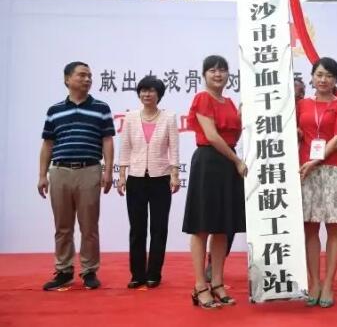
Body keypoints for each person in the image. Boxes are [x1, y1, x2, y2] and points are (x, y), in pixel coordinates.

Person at [39, 61, 115, 291]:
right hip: (60, 171)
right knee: (62, 226)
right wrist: (42, 175)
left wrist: (108, 170)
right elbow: (48, 144)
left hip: (89, 170)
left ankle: (89, 271)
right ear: (67, 79)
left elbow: (107, 141)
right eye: (82, 75)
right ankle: (63, 270)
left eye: (90, 76)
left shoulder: (101, 108)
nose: (87, 79)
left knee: (89, 226)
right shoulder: (54, 111)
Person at [182, 55, 247, 309]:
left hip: (227, 164)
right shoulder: (203, 98)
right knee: (202, 227)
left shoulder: (229, 102)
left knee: (222, 228)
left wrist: (242, 115)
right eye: (212, 70)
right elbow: (211, 135)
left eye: (222, 70)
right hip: (209, 162)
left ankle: (218, 283)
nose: (218, 74)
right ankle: (200, 286)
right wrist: (237, 160)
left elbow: (233, 136)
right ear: (204, 75)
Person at [297, 57, 337, 308]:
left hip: (332, 170)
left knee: (333, 228)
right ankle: (314, 282)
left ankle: (329, 283)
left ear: (336, 80)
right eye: (319, 75)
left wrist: (315, 160)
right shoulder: (301, 104)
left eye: (329, 76)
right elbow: (295, 132)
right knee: (309, 229)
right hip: (304, 171)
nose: (323, 80)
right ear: (312, 77)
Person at [117, 76, 180, 289]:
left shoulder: (169, 118)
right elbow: (125, 148)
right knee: (137, 228)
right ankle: (137, 274)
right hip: (135, 178)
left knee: (159, 228)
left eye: (151, 90)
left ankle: (154, 273)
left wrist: (174, 174)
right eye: (143, 90)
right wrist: (122, 175)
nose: (147, 94)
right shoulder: (130, 117)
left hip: (161, 178)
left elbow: (174, 149)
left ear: (159, 94)